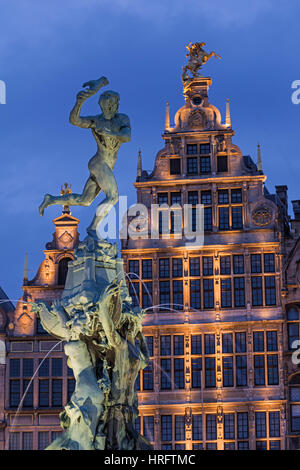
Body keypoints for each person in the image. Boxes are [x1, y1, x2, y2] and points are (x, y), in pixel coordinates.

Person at [38, 76, 131, 238]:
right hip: (99, 163)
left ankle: (51, 199)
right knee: (113, 196)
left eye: (113, 104)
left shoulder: (121, 119)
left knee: (84, 200)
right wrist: (79, 102)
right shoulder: (96, 121)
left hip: (106, 165)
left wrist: (111, 133)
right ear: (104, 106)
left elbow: (127, 136)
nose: (112, 107)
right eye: (108, 104)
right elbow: (74, 120)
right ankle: (93, 228)